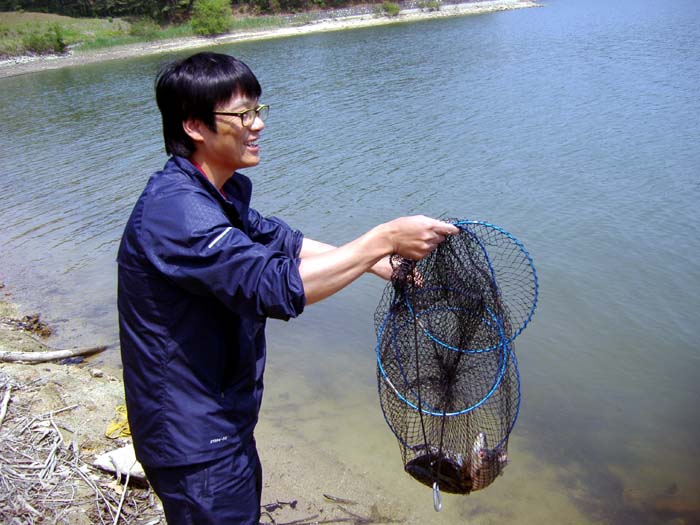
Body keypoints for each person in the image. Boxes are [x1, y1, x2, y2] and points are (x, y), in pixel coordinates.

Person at [117, 51, 458, 525]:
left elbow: (281, 242)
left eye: (258, 110)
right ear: (194, 126)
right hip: (192, 435)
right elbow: (276, 287)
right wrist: (381, 239)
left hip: (219, 420)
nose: (257, 124)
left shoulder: (215, 192)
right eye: (242, 115)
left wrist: (376, 263)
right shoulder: (177, 212)